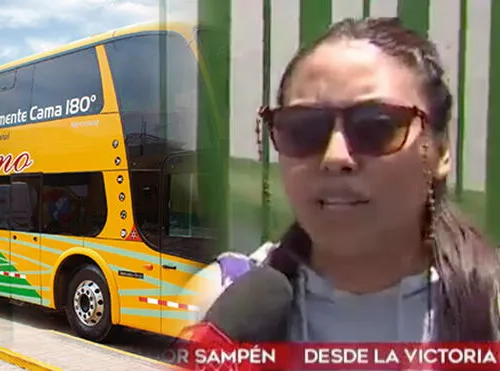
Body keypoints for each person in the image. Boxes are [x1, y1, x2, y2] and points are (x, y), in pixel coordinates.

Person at [192, 17, 500, 342]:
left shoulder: (489, 306)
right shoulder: (220, 304)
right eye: (304, 129)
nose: (336, 157)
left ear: (441, 151)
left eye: (377, 126)